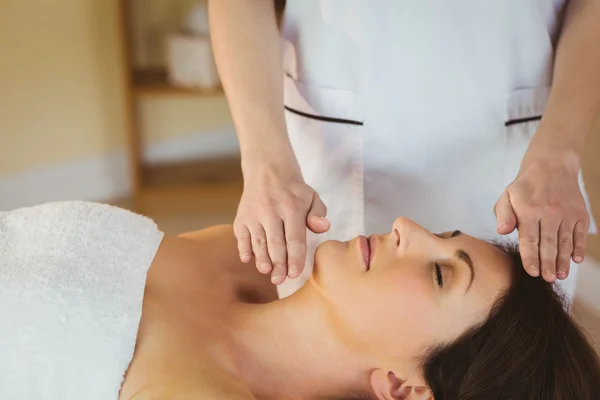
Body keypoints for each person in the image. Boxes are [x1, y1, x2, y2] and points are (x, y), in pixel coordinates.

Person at [2, 202, 599, 399]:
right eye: (441, 236)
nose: (406, 227)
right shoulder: (237, 257)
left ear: (403, 387)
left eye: (441, 275)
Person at [209, 0, 600, 299]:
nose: (406, 231)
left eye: (440, 273)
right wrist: (265, 162)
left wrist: (558, 153)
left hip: (521, 161)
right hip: (334, 150)